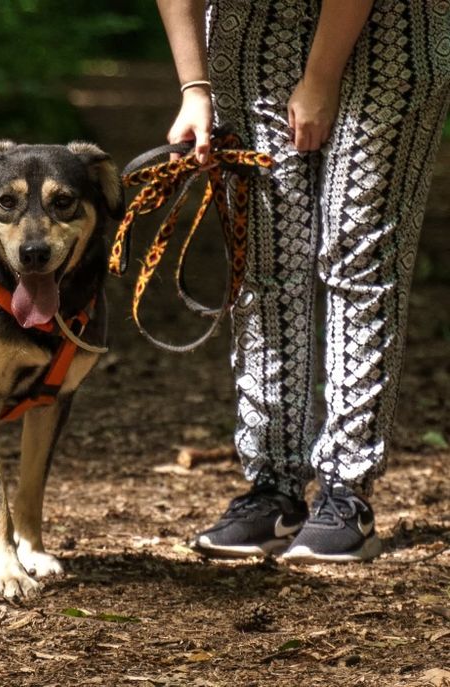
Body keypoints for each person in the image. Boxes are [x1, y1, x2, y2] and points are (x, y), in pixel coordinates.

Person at [155, 0, 450, 562]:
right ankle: (273, 488)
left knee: (358, 246)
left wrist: (319, 78)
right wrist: (195, 87)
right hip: (251, 31)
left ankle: (347, 491)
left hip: (394, 27)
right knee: (266, 258)